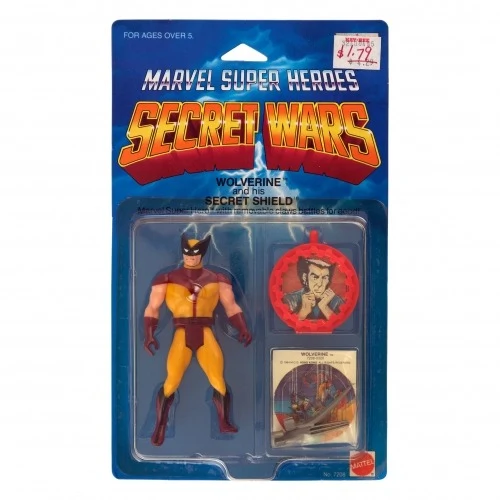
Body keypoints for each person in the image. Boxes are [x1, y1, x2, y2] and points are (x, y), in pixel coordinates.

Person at [143, 233, 252, 446]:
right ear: (182, 252)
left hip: (205, 331)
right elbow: (152, 307)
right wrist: (148, 334)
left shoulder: (218, 279)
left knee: (218, 379)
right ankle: (160, 425)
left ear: (202, 254)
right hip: (182, 333)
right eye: (187, 253)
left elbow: (231, 306)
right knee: (172, 380)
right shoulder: (167, 279)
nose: (190, 257)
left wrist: (242, 328)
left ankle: (224, 422)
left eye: (194, 254)